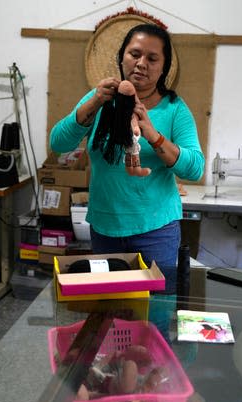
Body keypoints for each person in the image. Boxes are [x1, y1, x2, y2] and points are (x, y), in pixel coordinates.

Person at [50, 23, 205, 267]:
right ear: (122, 57)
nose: (141, 63)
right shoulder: (99, 98)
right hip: (104, 228)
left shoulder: (174, 109)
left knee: (156, 303)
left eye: (152, 59)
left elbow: (195, 169)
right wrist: (94, 103)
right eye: (134, 54)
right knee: (111, 303)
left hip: (156, 231)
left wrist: (153, 135)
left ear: (163, 67)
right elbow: (58, 143)